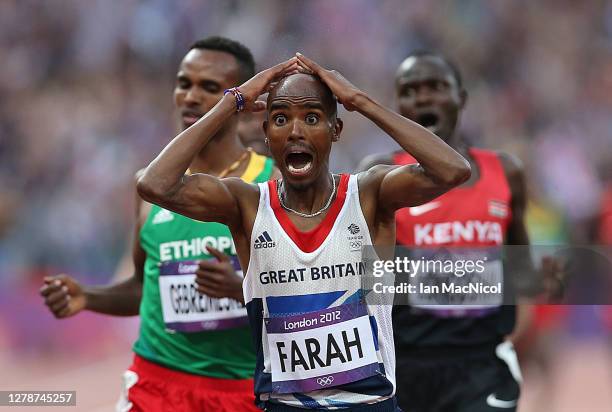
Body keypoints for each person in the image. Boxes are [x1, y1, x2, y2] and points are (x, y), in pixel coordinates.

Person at [136, 52, 470, 410]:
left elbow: (452, 170)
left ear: (335, 129)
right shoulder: (247, 205)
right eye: (280, 119)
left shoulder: (370, 196)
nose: (295, 132)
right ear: (266, 133)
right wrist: (233, 102)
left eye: (312, 117)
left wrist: (359, 101)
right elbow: (156, 184)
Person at [40, 36, 275, 412]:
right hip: (155, 385)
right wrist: (89, 297)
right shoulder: (151, 186)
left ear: (241, 104)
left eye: (210, 88)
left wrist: (242, 291)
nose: (192, 96)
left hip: (243, 390)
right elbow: (143, 287)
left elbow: (305, 294)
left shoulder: (271, 184)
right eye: (185, 83)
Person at [358, 51, 528, 412]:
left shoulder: (506, 172)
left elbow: (520, 267)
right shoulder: (379, 174)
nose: (422, 98)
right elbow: (363, 275)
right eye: (409, 90)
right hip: (403, 364)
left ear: (460, 98)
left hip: (480, 365)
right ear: (398, 105)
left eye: (435, 87)